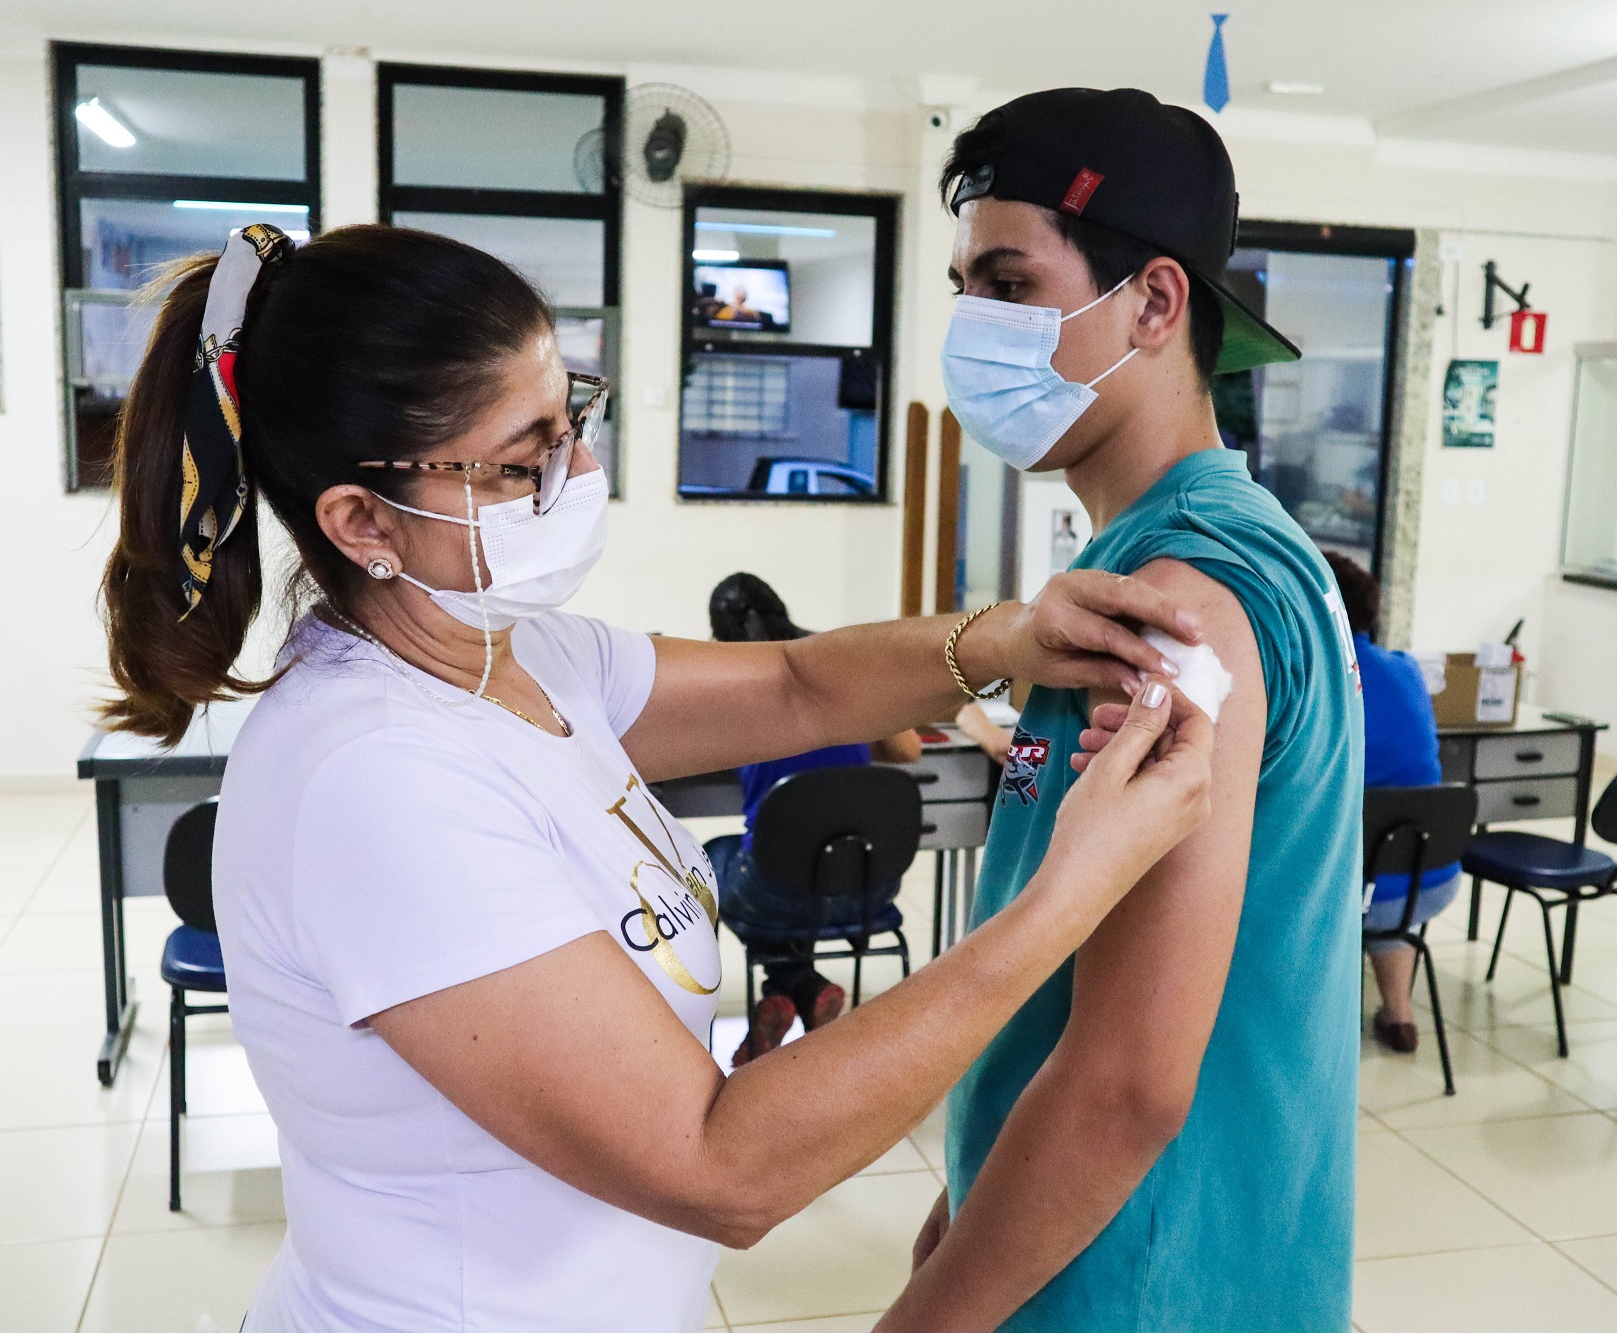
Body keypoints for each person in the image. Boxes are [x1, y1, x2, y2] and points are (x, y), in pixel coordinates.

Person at [98, 222, 1217, 1331]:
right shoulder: (375, 778)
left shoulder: (517, 657)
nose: (579, 472)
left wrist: (1004, 639)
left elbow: (792, 685)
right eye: (524, 455)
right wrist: (1068, 892)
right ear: (361, 521)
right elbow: (719, 1165)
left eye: (573, 416)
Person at [881, 89, 1365, 1333]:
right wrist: (960, 1215)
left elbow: (1126, 1085)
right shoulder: (1210, 552)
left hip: (1131, 1277)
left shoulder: (1179, 600)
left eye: (1007, 280)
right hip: (1175, 1250)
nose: (971, 326)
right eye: (962, 287)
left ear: (1153, 303)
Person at [702, 572, 924, 1065]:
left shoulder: (728, 680)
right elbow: (907, 749)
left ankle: (792, 983)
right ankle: (800, 987)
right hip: (869, 890)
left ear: (720, 638)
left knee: (713, 861)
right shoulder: (843, 665)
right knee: (787, 857)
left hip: (777, 896)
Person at [1323, 549, 1462, 1055]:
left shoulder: (1318, 683)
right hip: (1431, 880)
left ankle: (1314, 1025)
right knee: (1382, 864)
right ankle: (1399, 1015)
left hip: (1352, 889)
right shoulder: (1406, 670)